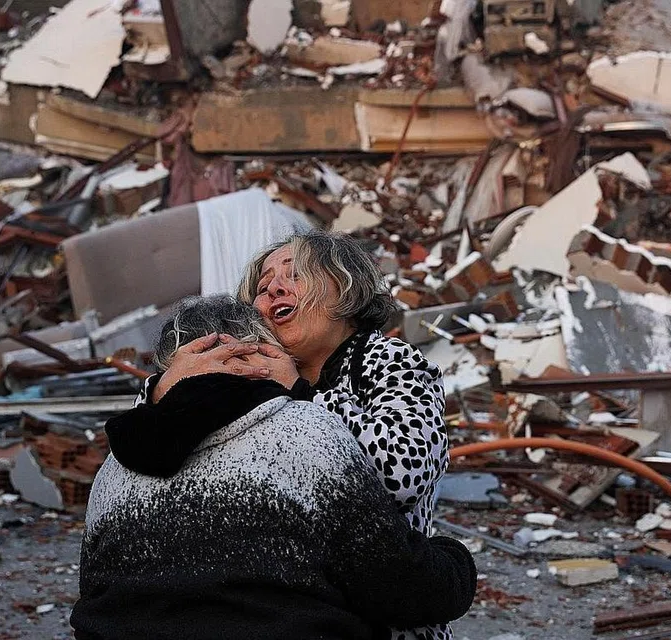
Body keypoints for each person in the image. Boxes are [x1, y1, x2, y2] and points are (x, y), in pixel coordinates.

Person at [108, 231, 452, 640]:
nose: (273, 288)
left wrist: (303, 396)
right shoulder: (251, 368)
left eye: (296, 274)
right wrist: (165, 388)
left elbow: (402, 473)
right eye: (262, 284)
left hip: (384, 608)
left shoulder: (388, 362)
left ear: (345, 289)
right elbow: (150, 453)